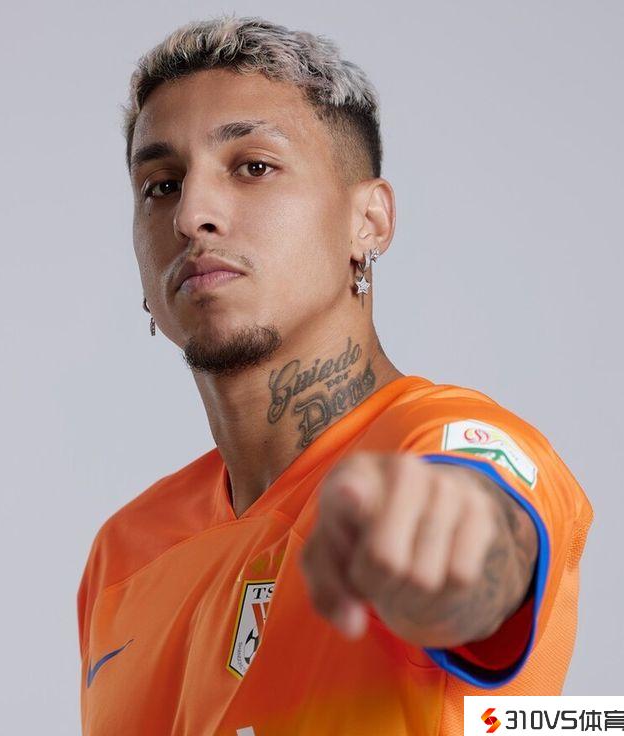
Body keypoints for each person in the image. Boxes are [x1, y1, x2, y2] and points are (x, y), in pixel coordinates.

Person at [77, 14, 593, 736]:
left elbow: (487, 515)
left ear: (368, 221)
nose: (192, 215)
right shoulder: (123, 551)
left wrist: (465, 544)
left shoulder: (437, 443)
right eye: (161, 185)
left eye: (254, 167)